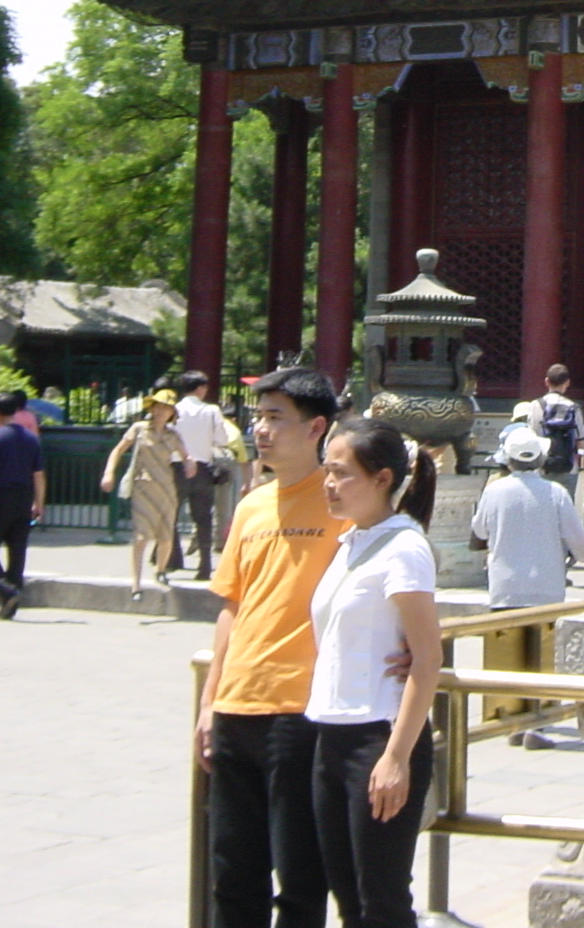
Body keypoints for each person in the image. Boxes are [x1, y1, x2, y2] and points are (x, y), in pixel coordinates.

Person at [196, 366, 346, 928]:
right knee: (232, 869)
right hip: (238, 705)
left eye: (275, 418)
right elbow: (232, 606)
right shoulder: (251, 505)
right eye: (258, 417)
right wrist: (210, 702)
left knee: (300, 874)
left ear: (316, 428)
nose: (260, 429)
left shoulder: (341, 503)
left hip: (302, 708)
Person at [307, 417, 443, 928]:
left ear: (383, 478)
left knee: (381, 900)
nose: (329, 485)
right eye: (327, 471)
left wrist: (396, 756)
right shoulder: (350, 544)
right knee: (348, 897)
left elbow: (428, 659)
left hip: (378, 736)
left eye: (341, 474)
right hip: (331, 733)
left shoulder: (404, 548)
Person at [471, 425, 584, 609]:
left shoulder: (493, 490)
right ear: (541, 459)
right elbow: (578, 540)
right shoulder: (556, 492)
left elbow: (479, 530)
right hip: (547, 589)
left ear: (508, 459)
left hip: (505, 588)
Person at [100, 389, 193, 600]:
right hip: (143, 486)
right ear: (151, 408)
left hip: (167, 489)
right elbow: (118, 450)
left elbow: (186, 456)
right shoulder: (139, 429)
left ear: (172, 412)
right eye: (158, 407)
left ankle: (161, 570)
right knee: (141, 537)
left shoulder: (173, 435)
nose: (161, 411)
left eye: (166, 408)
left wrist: (190, 464)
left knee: (166, 537)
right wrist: (109, 473)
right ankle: (136, 583)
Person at [0, 391, 45, 619]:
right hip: (23, 497)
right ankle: (12, 599)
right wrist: (39, 503)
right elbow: (39, 474)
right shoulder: (31, 438)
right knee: (17, 549)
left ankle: (6, 591)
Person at [173, 370, 238, 578]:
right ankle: (204, 564)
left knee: (170, 516)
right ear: (200, 388)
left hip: (175, 467)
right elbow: (221, 439)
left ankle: (173, 558)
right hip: (202, 468)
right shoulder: (211, 410)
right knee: (203, 518)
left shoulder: (173, 410)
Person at [533, 363, 583, 495]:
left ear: (546, 381)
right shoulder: (574, 407)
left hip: (542, 466)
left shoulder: (536, 405)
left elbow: (532, 436)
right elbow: (581, 440)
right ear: (567, 382)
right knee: (565, 508)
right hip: (569, 466)